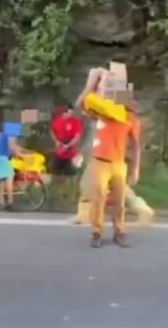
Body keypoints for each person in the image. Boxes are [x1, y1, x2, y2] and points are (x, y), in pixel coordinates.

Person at [76, 68, 142, 248]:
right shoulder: (103, 112)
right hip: (99, 162)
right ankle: (96, 233)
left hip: (119, 164)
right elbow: (81, 103)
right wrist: (92, 83)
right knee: (98, 200)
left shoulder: (130, 119)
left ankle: (119, 232)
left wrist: (135, 168)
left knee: (119, 201)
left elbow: (136, 145)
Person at [0, 121, 30, 211]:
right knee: (10, 175)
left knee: (3, 178)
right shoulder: (13, 129)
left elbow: (15, 145)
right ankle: (10, 202)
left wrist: (25, 151)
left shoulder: (11, 127)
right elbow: (12, 146)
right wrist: (22, 155)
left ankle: (1, 202)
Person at [50, 103, 84, 195]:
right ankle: (57, 192)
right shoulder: (57, 120)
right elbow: (52, 132)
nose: (69, 113)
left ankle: (73, 192)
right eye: (68, 111)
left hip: (71, 154)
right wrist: (56, 141)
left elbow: (77, 136)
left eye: (71, 112)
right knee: (56, 173)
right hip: (59, 153)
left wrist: (68, 146)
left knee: (72, 174)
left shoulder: (75, 122)